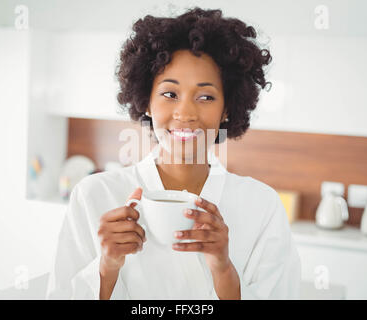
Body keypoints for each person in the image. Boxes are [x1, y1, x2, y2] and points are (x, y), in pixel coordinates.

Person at [45, 7, 301, 300]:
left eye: (205, 97)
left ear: (227, 108)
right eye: (170, 94)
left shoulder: (262, 206)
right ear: (146, 102)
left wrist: (223, 270)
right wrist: (106, 269)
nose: (185, 113)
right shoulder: (94, 195)